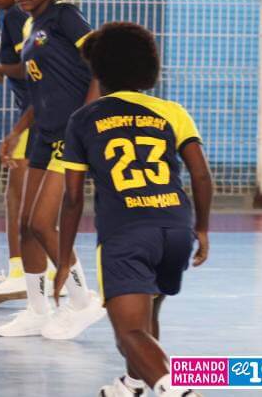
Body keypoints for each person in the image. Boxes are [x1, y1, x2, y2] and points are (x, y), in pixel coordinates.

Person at [55, 22, 211, 397]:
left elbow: (73, 198)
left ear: (98, 71)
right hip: (175, 229)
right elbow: (201, 175)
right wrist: (202, 229)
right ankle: (134, 384)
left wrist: (64, 259)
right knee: (146, 315)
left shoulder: (83, 120)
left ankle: (178, 391)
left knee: (128, 333)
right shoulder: (171, 111)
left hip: (125, 233)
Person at [0, 0, 104, 339]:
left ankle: (82, 300)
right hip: (42, 132)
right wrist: (17, 131)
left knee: (43, 222)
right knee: (26, 225)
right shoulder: (30, 28)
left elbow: (101, 61)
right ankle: (37, 311)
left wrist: (87, 117)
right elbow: (41, 88)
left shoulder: (64, 16)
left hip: (69, 134)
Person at [0, 0, 66, 305]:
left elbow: (36, 71)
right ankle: (37, 278)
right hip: (37, 115)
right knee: (32, 207)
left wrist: (0, 69)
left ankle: (32, 275)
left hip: (43, 118)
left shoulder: (25, 19)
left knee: (25, 203)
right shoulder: (23, 21)